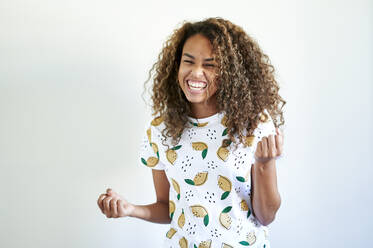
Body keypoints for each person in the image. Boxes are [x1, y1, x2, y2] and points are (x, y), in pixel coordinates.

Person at [97, 17, 285, 248]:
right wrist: (130, 209)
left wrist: (265, 163)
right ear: (177, 65)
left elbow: (266, 216)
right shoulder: (161, 129)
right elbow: (167, 208)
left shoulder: (253, 123)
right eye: (189, 61)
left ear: (231, 72)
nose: (196, 73)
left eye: (210, 65)